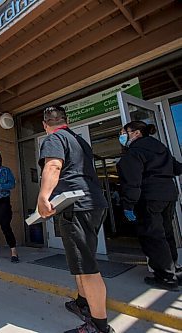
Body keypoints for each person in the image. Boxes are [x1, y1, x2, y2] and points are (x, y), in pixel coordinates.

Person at [37, 106, 114, 333]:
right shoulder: (79, 141)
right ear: (66, 120)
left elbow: (53, 165)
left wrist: (43, 196)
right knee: (81, 260)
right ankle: (82, 302)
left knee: (87, 267)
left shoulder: (55, 138)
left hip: (76, 207)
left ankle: (99, 326)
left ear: (45, 124)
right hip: (93, 204)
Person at [117, 120, 182, 291]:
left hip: (149, 196)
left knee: (152, 236)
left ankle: (166, 277)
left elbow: (132, 182)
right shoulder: (160, 148)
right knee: (166, 233)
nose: (122, 136)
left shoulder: (134, 152)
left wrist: (128, 204)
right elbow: (177, 168)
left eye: (124, 132)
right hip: (168, 194)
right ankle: (174, 269)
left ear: (136, 133)